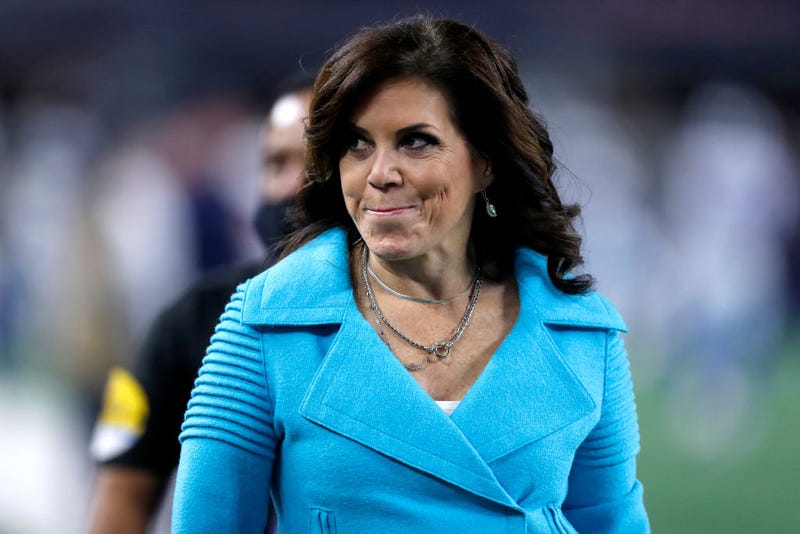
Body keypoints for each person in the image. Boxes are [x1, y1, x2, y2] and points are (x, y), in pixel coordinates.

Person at [173, 15, 649, 533]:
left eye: (416, 142)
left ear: (485, 160)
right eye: (358, 144)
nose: (379, 174)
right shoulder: (265, 323)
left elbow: (613, 522)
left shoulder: (583, 334)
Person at [86, 73, 313, 534]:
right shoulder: (192, 322)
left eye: (316, 162)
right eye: (277, 163)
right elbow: (122, 493)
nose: (294, 185)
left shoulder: (423, 318)